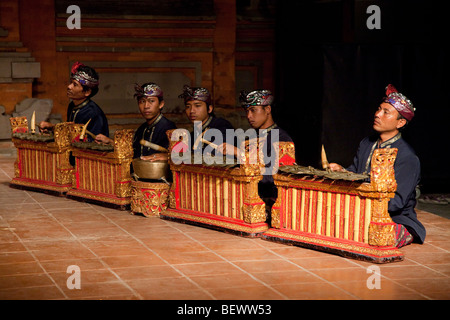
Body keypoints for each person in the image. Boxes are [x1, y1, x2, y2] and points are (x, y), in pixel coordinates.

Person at [329, 84, 426, 248]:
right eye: (378, 109)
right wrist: (342, 172)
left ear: (400, 122)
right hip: (362, 210)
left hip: (393, 218)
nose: (377, 114)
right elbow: (355, 174)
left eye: (385, 112)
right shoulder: (367, 143)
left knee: (372, 236)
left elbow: (397, 202)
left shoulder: (408, 157)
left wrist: (361, 203)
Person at [218, 90, 295, 219]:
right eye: (247, 111)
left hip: (269, 203)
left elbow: (275, 177)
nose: (249, 116)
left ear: (268, 109)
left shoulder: (282, 139)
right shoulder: (251, 138)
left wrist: (240, 153)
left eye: (253, 110)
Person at [96, 82, 176, 162]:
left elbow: (181, 156)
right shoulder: (142, 129)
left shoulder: (169, 128)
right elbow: (132, 152)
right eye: (142, 101)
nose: (146, 106)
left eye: (151, 101)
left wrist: (169, 156)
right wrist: (111, 142)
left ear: (161, 104)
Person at [39, 62, 109, 140]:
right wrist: (52, 128)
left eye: (75, 84)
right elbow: (71, 131)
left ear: (87, 92)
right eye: (70, 82)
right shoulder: (72, 106)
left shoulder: (94, 113)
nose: (69, 86)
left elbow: (93, 143)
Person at [178, 85, 234, 153]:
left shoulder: (222, 126)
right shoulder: (193, 134)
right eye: (188, 107)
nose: (192, 110)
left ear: (209, 109)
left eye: (197, 106)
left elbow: (217, 152)